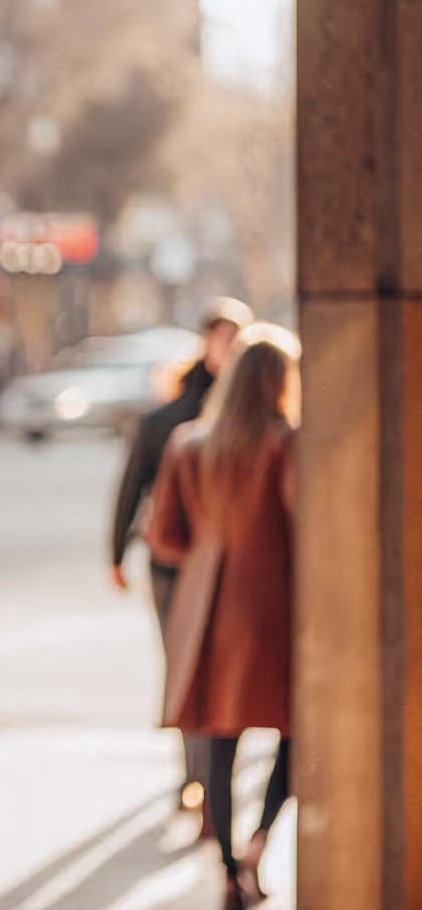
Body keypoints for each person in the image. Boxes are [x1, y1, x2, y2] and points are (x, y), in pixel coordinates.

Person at [146, 325, 299, 909]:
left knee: (218, 740)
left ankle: (229, 869)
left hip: (207, 611)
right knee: (296, 730)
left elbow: (163, 536)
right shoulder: (285, 443)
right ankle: (259, 844)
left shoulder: (189, 443)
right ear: (279, 383)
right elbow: (303, 521)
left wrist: (210, 554)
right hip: (274, 607)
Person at [110, 298, 251, 815]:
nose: (228, 350)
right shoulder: (171, 421)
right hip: (177, 564)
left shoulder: (258, 416)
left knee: (223, 675)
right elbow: (133, 488)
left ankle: (213, 780)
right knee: (184, 669)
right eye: (221, 338)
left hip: (228, 566)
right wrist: (117, 551)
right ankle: (194, 777)